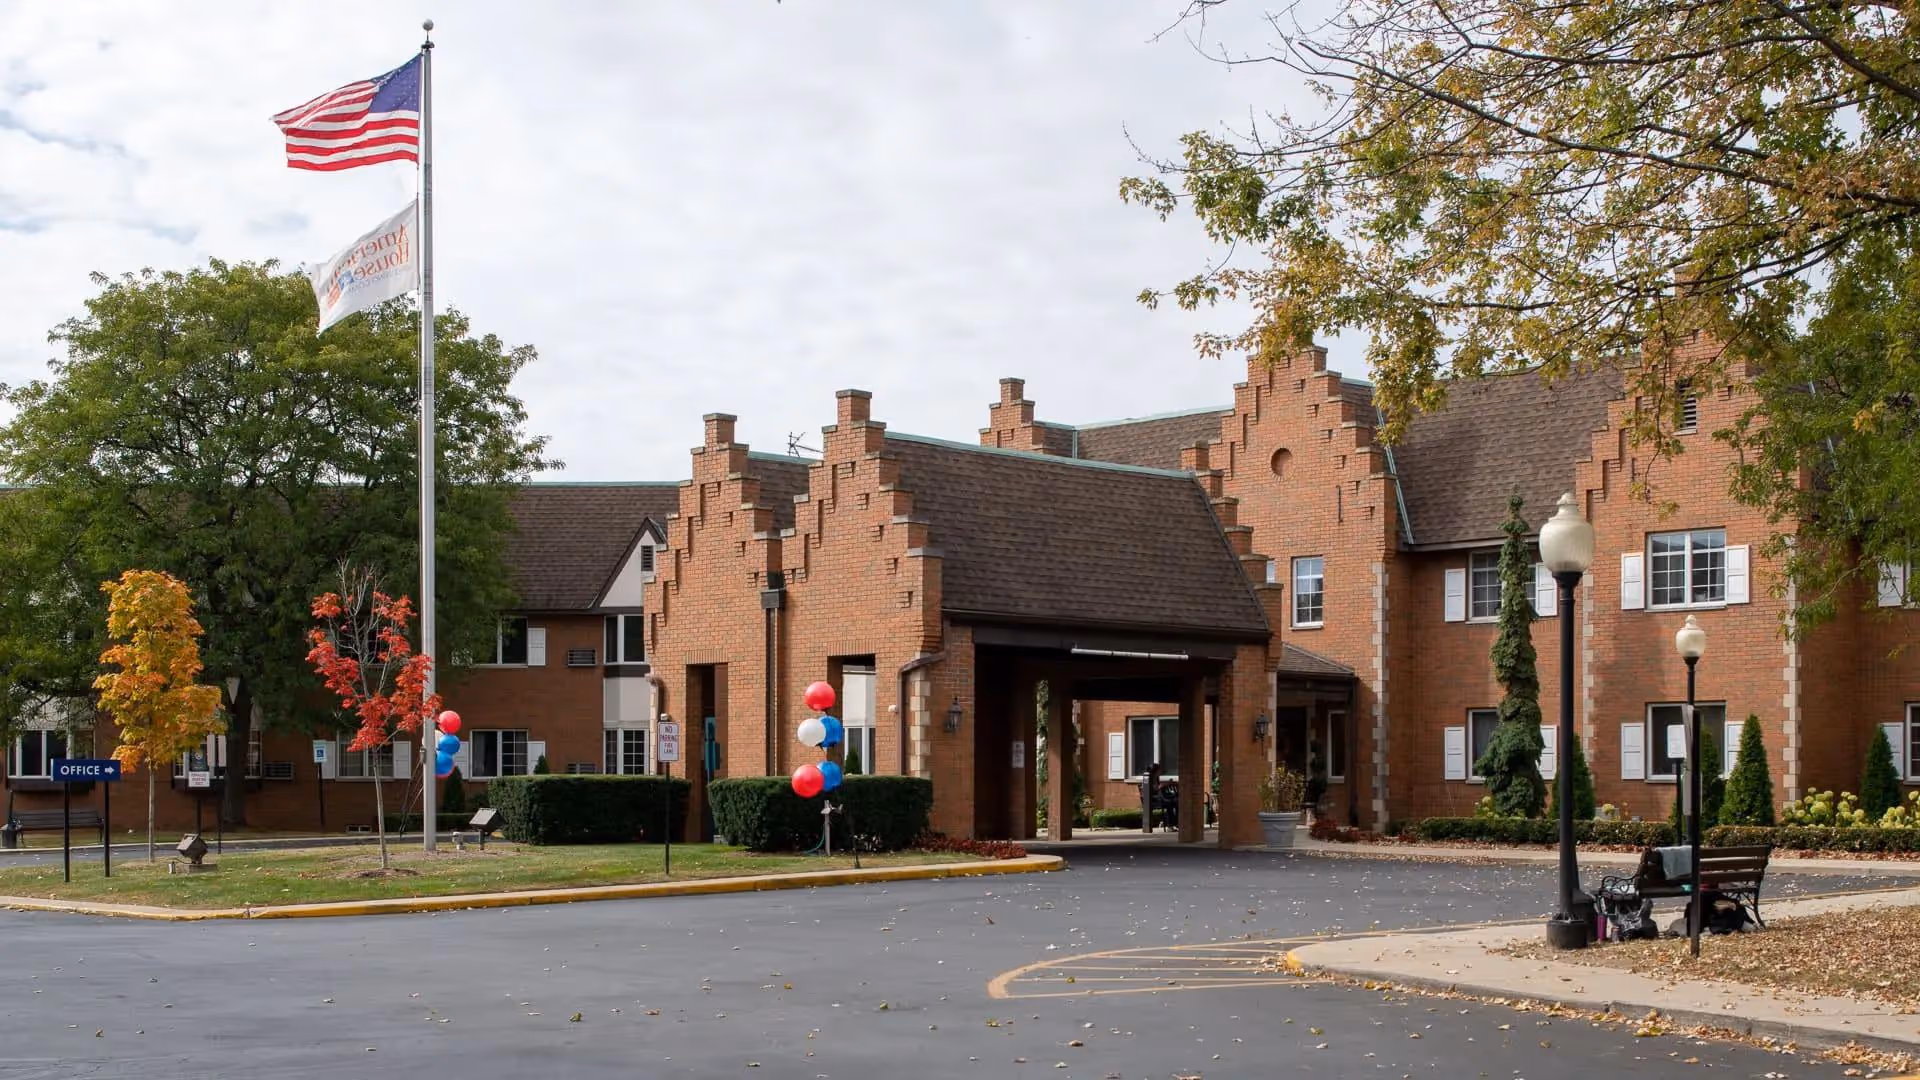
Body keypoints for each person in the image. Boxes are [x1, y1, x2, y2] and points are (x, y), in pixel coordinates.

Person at [1141, 762, 1162, 834]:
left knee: (1173, 802)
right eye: (1159, 770)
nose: (1160, 772)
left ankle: (1171, 824)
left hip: (1157, 798)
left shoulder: (1156, 779)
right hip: (1153, 800)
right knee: (1170, 803)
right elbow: (1152, 790)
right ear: (1155, 771)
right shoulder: (1149, 778)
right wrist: (1160, 787)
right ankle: (1169, 825)